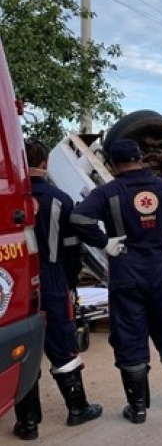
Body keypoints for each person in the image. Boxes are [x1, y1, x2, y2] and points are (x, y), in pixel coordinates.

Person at [70, 139, 162, 424]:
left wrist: (104, 243)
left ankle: (138, 408)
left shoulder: (108, 192)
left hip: (126, 275)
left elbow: (80, 217)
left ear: (113, 163)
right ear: (141, 158)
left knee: (130, 338)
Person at [14, 140, 102, 440]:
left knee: (22, 350)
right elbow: (73, 249)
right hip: (52, 279)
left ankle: (27, 423)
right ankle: (77, 408)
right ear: (46, 163)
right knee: (63, 345)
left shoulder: (8, 198)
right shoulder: (61, 199)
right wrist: (71, 281)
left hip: (14, 283)